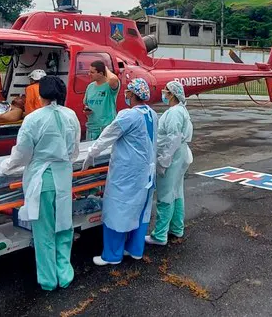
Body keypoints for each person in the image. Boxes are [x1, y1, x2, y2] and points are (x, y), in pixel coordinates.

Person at [0, 76, 80, 291]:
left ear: (39, 94)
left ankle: (48, 279)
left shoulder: (34, 119)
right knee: (64, 226)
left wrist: (7, 166)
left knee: (43, 231)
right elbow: (74, 151)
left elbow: (23, 153)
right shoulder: (71, 115)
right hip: (63, 178)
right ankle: (65, 274)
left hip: (41, 180)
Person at [81, 78, 157, 266]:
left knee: (117, 209)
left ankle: (112, 255)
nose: (125, 94)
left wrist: (90, 155)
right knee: (140, 210)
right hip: (146, 173)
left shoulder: (128, 116)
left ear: (132, 94)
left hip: (127, 174)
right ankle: (135, 249)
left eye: (128, 91)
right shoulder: (152, 114)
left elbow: (107, 136)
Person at [146, 81, 193, 246]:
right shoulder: (181, 110)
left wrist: (164, 161)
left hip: (172, 157)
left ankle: (159, 235)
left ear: (172, 94)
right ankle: (176, 228)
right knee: (176, 192)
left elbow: (173, 138)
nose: (163, 94)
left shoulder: (174, 113)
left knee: (165, 194)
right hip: (180, 155)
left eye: (165, 92)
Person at [83, 60, 120, 140]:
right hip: (92, 129)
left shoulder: (109, 86)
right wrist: (86, 111)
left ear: (101, 74)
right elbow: (86, 104)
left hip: (106, 129)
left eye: (92, 72)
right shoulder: (90, 87)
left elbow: (114, 79)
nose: (89, 74)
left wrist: (106, 69)